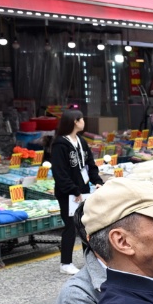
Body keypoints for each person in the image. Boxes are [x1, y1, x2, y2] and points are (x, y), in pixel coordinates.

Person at [49, 109, 103, 276]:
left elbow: (90, 165)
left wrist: (98, 182)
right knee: (71, 227)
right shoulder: (60, 144)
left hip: (84, 190)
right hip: (68, 193)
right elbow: (59, 172)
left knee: (86, 226)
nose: (83, 122)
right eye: (81, 119)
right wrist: (72, 189)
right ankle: (65, 263)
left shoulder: (81, 141)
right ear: (74, 121)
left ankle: (91, 260)